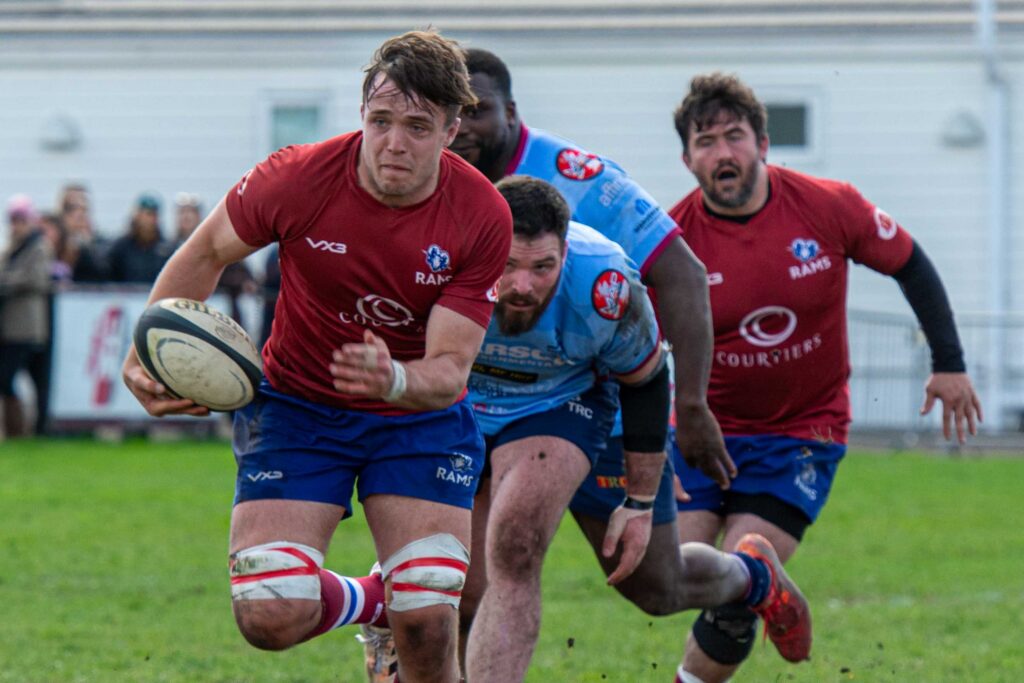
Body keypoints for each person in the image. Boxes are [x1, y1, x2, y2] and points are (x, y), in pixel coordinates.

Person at [120, 30, 512, 683]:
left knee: (428, 622)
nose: (394, 143)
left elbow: (448, 371)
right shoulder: (297, 177)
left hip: (416, 417)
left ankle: (404, 605)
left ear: (450, 130)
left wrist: (393, 378)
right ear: (362, 114)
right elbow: (207, 250)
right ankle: (376, 601)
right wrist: (147, 351)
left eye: (418, 127)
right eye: (380, 121)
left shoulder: (481, 213)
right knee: (269, 614)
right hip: (297, 406)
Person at [667, 73, 983, 683]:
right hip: (703, 434)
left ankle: (744, 597)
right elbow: (635, 346)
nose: (723, 153)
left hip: (800, 434)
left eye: (735, 136)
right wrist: (643, 443)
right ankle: (764, 584)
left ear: (763, 144)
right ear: (687, 160)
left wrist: (949, 364)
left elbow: (911, 264)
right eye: (706, 142)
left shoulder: (827, 206)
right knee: (677, 578)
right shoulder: (673, 242)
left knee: (732, 594)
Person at [456, 176, 810, 682]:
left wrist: (640, 501)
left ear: (565, 253)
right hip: (466, 399)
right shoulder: (444, 255)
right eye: (508, 265)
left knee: (655, 587)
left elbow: (646, 380)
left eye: (542, 267)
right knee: (460, 575)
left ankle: (751, 576)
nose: (523, 286)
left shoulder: (604, 282)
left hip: (570, 400)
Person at [0, 195, 53, 438]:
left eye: (21, 220)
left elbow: (36, 279)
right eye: (13, 220)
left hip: (28, 328)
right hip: (10, 327)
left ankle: (21, 430)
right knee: (9, 379)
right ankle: (17, 430)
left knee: (11, 379)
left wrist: (6, 281)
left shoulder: (39, 247)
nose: (16, 225)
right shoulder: (12, 248)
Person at [174, 192, 257, 326]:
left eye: (191, 211)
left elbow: (242, 274)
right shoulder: (168, 248)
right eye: (183, 212)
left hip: (219, 311)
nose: (187, 216)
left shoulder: (216, 245)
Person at [107, 193, 174, 284]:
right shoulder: (120, 248)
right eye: (147, 214)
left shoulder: (166, 249)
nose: (150, 220)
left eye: (154, 215)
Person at [57, 183, 109, 282]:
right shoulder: (50, 242)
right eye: (71, 209)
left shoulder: (100, 245)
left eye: (83, 210)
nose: (79, 215)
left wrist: (87, 247)